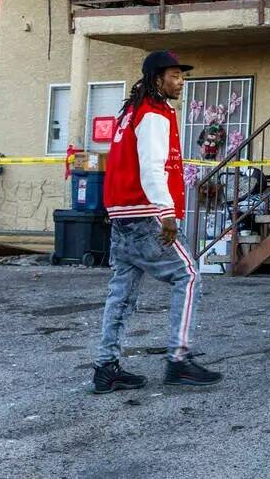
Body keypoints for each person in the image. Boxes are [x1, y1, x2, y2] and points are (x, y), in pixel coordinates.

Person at [92, 50, 223, 393]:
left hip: (121, 215)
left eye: (182, 76)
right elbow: (152, 168)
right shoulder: (153, 114)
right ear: (157, 79)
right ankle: (178, 360)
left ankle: (106, 368)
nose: (180, 82)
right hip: (144, 215)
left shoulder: (130, 112)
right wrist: (166, 213)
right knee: (189, 273)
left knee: (121, 293)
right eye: (175, 76)